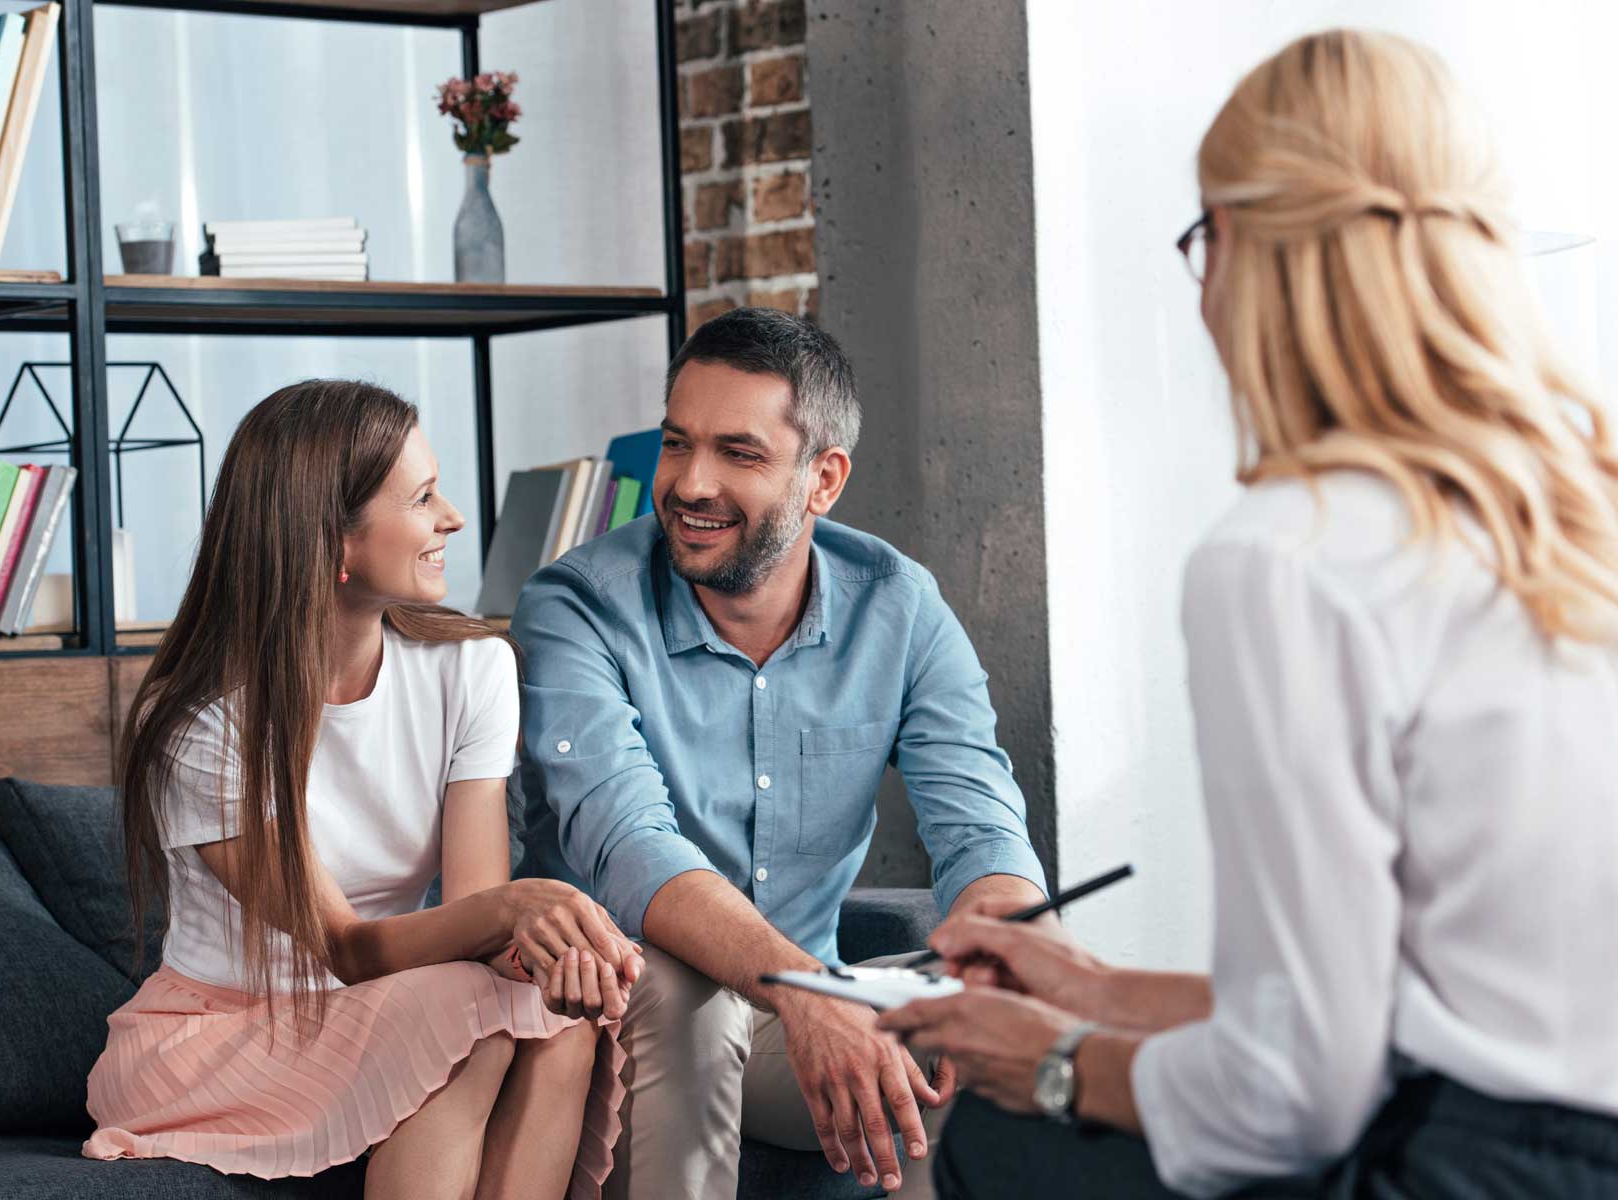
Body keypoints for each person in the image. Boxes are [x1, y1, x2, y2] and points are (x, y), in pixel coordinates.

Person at [879, 28, 1618, 1199]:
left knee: (989, 1137)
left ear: (1261, 258)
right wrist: (1105, 994)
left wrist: (1059, 1064)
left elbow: (1297, 1093)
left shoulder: (1292, 553)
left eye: (1204, 238)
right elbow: (1431, 1009)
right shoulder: (1582, 521)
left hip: (1464, 1169)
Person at [511, 307, 1053, 1199]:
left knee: (977, 1035)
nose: (690, 482)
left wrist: (1021, 947)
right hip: (614, 1006)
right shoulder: (577, 608)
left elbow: (980, 828)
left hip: (785, 1010)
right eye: (677, 444)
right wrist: (811, 993)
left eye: (739, 453)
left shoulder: (899, 608)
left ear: (823, 480)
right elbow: (631, 846)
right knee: (685, 1000)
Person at [83, 379, 645, 1200]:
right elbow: (346, 949)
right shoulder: (205, 728)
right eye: (422, 500)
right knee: (474, 1020)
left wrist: (559, 949)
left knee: (560, 1020)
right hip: (224, 1032)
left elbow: (478, 918)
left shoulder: (472, 669)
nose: (452, 517)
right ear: (333, 542)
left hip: (394, 1002)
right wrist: (527, 906)